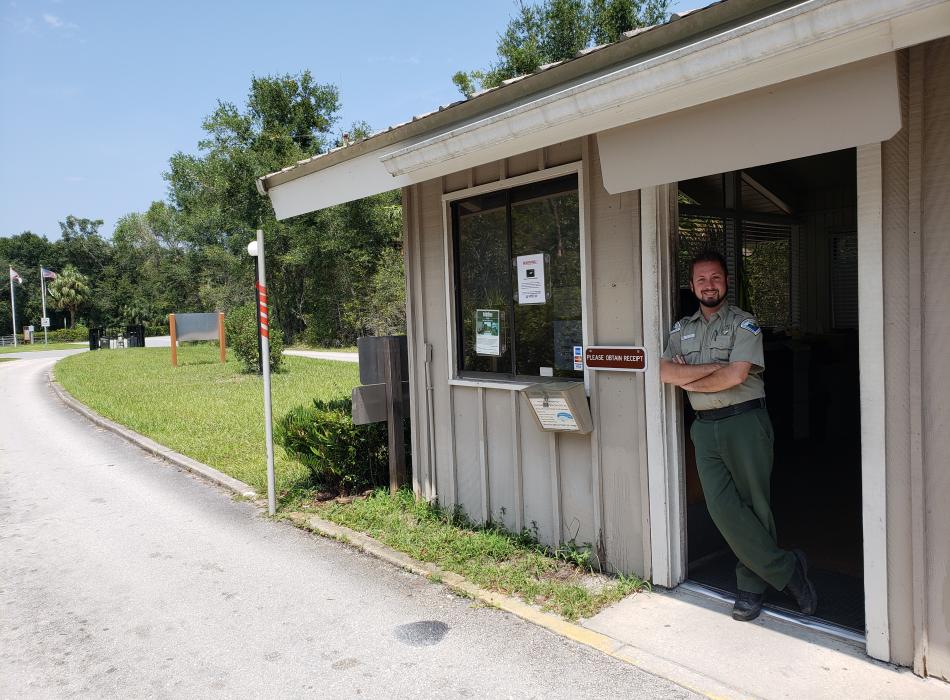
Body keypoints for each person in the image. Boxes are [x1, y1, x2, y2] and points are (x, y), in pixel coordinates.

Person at [659, 250, 817, 622]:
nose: (708, 285)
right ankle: (788, 567)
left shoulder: (744, 324)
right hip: (704, 426)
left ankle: (751, 586)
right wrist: (715, 367)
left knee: (753, 504)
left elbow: (736, 376)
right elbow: (666, 374)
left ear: (726, 281)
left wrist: (693, 375)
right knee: (721, 507)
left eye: (715, 278)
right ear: (692, 285)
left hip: (744, 423)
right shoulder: (681, 329)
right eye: (701, 279)